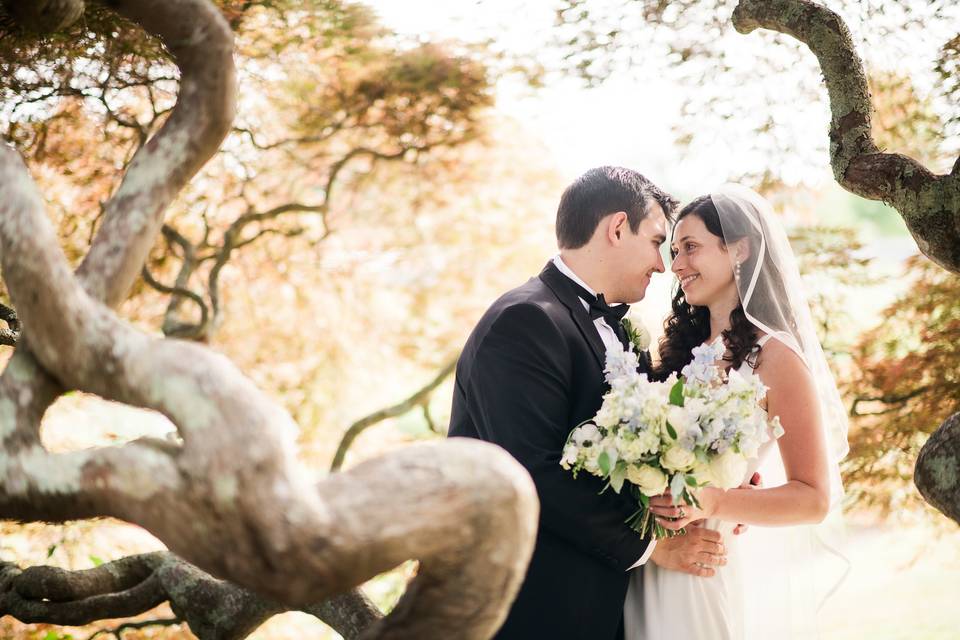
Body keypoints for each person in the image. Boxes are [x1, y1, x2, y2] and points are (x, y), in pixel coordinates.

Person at [448, 166, 729, 640]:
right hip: (530, 610)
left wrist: (717, 471)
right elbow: (531, 474)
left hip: (605, 606)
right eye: (657, 241)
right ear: (617, 228)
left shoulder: (622, 330)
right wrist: (651, 547)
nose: (663, 266)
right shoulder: (525, 321)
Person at [624, 185, 849, 639]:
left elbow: (813, 498)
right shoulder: (677, 354)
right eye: (673, 250)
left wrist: (719, 500)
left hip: (700, 568)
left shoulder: (777, 357)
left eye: (690, 247)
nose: (677, 265)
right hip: (646, 564)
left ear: (739, 249)